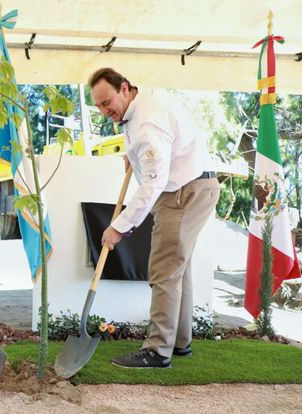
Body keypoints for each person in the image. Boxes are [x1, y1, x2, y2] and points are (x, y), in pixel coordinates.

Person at [90, 67, 220, 368]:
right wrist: (132, 156)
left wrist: (118, 228)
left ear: (124, 88)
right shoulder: (142, 103)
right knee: (177, 268)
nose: (104, 110)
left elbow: (153, 183)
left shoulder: (147, 122)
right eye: (98, 105)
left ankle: (157, 351)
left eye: (107, 101)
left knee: (163, 269)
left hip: (184, 193)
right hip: (196, 186)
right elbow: (157, 148)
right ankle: (179, 342)